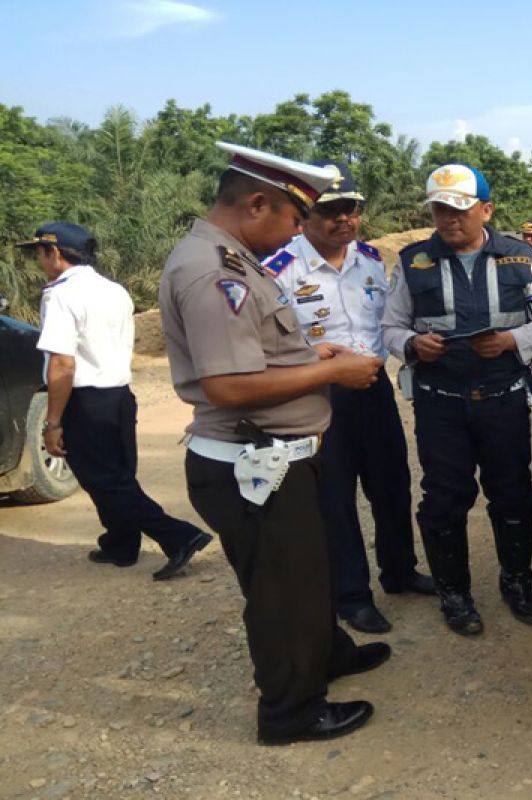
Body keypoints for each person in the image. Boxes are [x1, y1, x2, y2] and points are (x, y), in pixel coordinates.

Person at [158, 142, 391, 745]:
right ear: (258, 204)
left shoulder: (233, 258)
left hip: (276, 458)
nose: (296, 231)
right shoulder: (216, 271)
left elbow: (256, 350)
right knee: (281, 592)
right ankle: (291, 711)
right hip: (250, 461)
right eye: (294, 217)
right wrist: (331, 373)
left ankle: (326, 654)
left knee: (307, 572)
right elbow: (228, 383)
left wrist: (312, 353)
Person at [382, 163, 532, 636]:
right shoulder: (412, 261)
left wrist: (512, 341)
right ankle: (455, 594)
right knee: (444, 500)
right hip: (439, 402)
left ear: (486, 210)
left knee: (513, 495)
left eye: (460, 209)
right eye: (440, 209)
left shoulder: (522, 258)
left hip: (502, 400)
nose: (449, 219)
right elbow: (390, 326)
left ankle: (517, 583)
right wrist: (410, 345)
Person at [266, 160, 434, 636]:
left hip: (373, 388)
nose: (344, 218)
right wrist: (310, 353)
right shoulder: (279, 270)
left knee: (391, 484)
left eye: (352, 208)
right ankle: (352, 595)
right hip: (319, 398)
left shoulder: (371, 259)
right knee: (334, 499)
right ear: (305, 215)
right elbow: (265, 343)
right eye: (331, 210)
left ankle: (399, 571)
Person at [19, 222, 212, 581]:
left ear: (55, 253)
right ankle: (121, 543)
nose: (40, 261)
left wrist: (54, 421)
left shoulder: (60, 295)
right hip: (119, 395)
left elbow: (62, 363)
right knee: (116, 475)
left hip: (87, 400)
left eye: (40, 253)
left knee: (104, 480)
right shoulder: (114, 290)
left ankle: (180, 536)